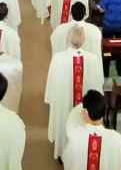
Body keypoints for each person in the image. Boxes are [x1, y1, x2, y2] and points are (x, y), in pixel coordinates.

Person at [45, 25, 104, 160]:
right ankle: (82, 153)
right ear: (84, 40)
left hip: (63, 101)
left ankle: (62, 152)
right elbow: (97, 83)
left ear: (68, 39)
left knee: (64, 122)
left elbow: (52, 81)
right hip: (85, 105)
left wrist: (51, 98)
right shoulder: (93, 59)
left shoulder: (58, 58)